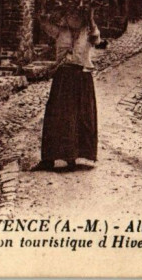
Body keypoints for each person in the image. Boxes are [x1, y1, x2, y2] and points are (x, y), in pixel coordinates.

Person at [31, 11, 102, 172]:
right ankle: (49, 158)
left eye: (77, 15)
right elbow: (44, 24)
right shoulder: (61, 31)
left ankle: (74, 156)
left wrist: (91, 19)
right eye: (71, 15)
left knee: (80, 117)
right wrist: (43, 13)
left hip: (82, 79)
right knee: (57, 117)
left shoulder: (88, 30)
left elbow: (97, 39)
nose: (73, 18)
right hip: (63, 78)